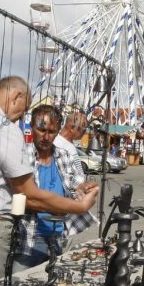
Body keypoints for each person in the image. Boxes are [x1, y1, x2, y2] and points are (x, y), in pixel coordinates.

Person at [0, 76, 98, 286]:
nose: (18, 118)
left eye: (51, 131)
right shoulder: (4, 129)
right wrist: (79, 206)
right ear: (17, 96)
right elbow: (27, 195)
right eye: (23, 110)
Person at [14, 104, 97, 270]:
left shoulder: (63, 155)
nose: (46, 136)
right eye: (41, 130)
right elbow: (22, 198)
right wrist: (56, 207)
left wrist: (84, 187)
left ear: (58, 131)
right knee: (21, 285)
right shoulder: (22, 154)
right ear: (32, 127)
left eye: (51, 132)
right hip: (31, 236)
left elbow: (75, 184)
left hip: (59, 234)